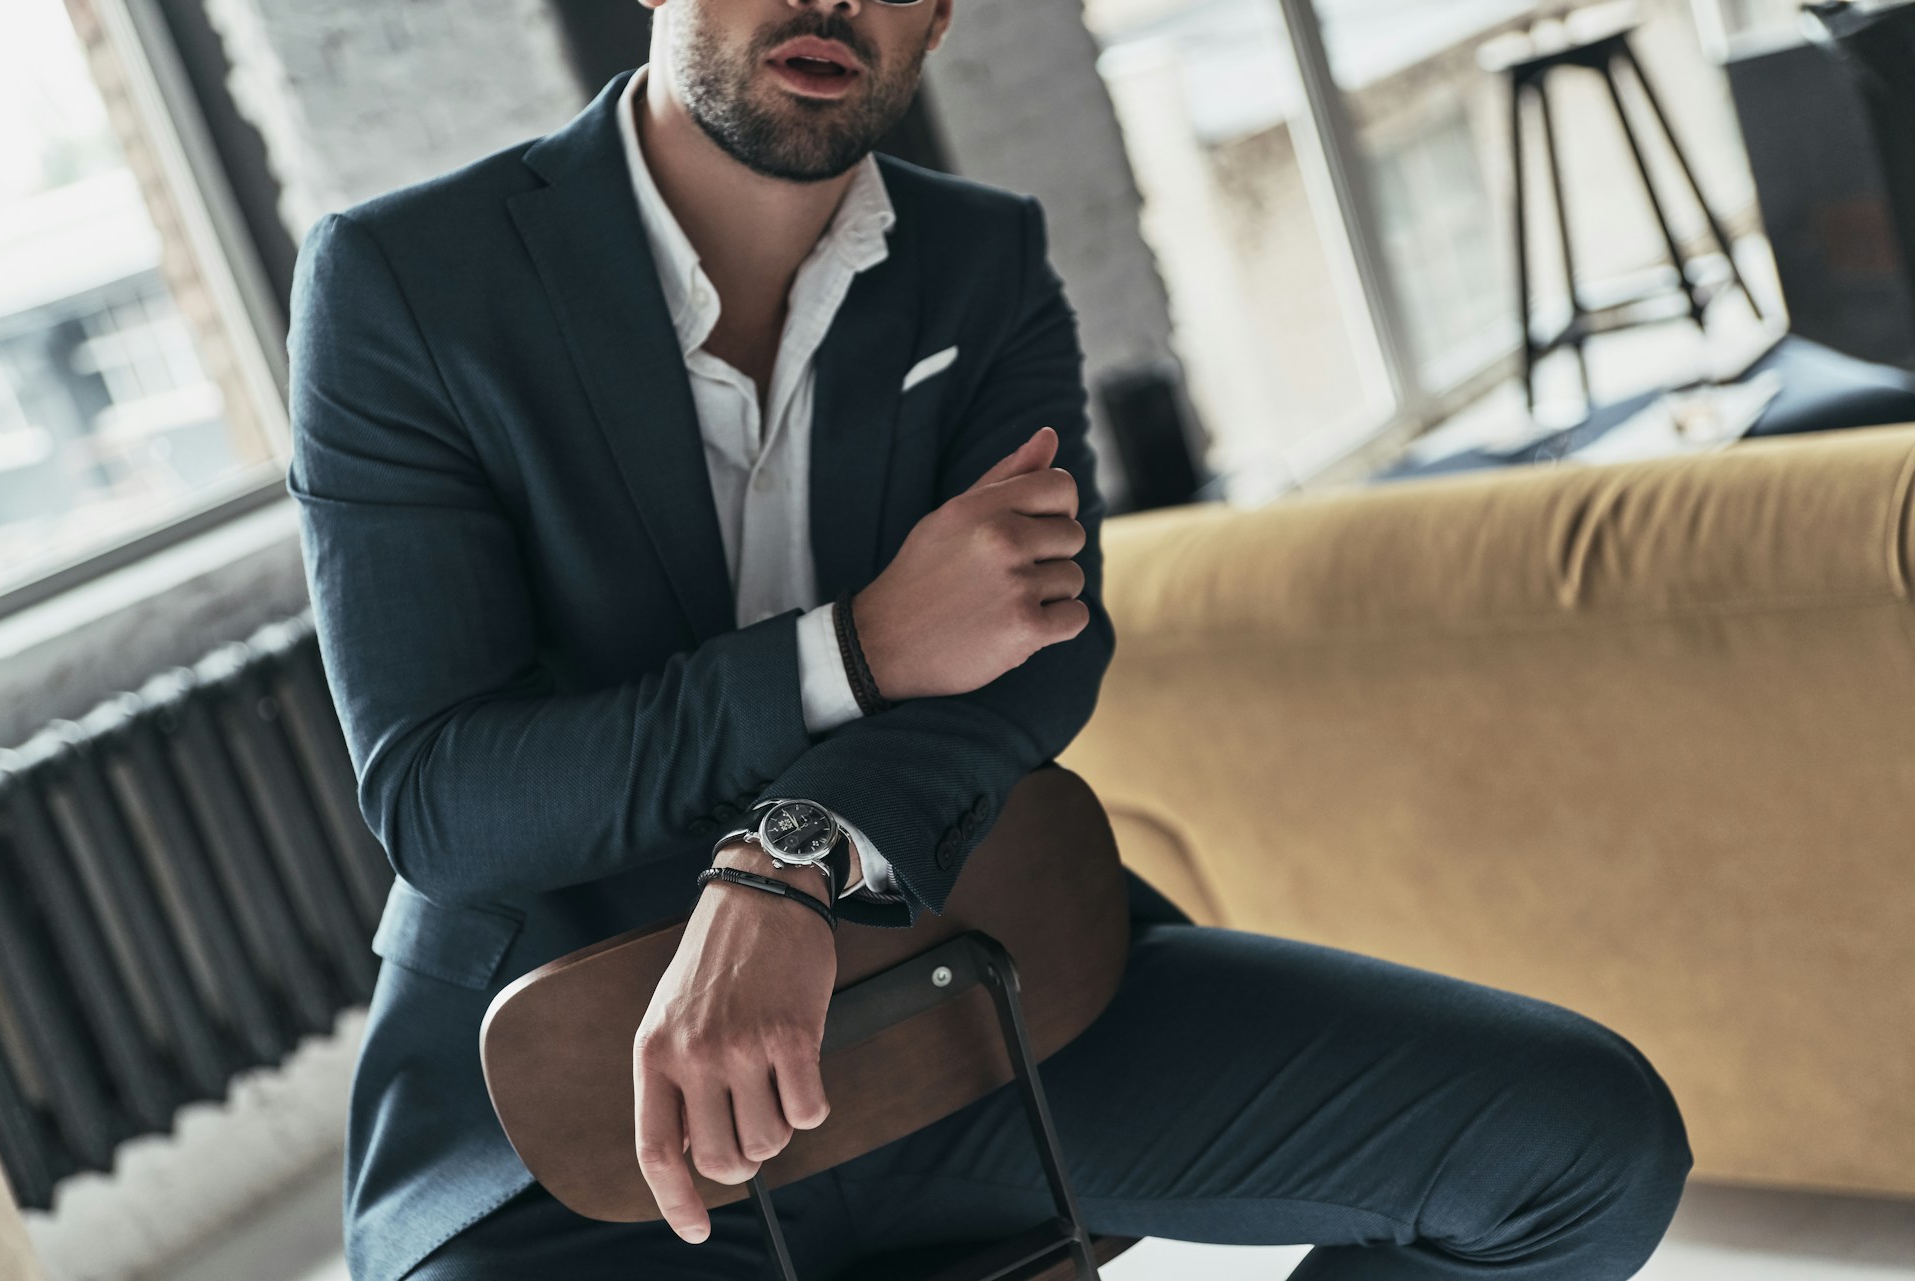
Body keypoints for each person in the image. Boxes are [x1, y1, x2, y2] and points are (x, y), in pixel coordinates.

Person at [285, 0, 1694, 1277]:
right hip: (571, 1123)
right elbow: (447, 797)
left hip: (973, 995)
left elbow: (1039, 650)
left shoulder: (983, 261)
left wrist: (791, 865)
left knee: (1582, 1146)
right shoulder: (404, 285)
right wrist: (860, 646)